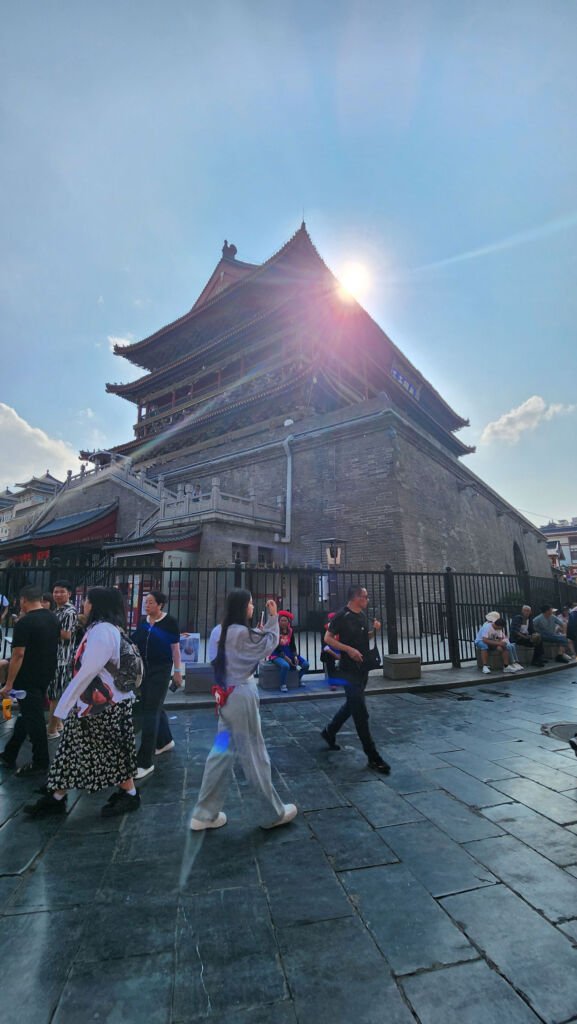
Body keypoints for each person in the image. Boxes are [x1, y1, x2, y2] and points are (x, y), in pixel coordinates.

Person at [22, 587, 140, 819]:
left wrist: (66, 703)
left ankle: (129, 793)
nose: (84, 604)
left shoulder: (102, 631)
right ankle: (57, 795)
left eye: (87, 600)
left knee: (110, 751)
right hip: (94, 704)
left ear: (96, 604)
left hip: (104, 705)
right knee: (71, 750)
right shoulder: (107, 629)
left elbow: (89, 670)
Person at [190, 589, 297, 831]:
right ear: (242, 607)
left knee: (220, 755)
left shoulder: (219, 631)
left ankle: (204, 814)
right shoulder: (241, 633)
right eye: (249, 604)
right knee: (254, 755)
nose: (251, 607)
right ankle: (272, 813)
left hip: (225, 696)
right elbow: (268, 646)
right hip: (241, 694)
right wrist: (272, 618)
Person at [320, 584, 390, 774]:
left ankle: (329, 731)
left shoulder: (362, 616)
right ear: (357, 598)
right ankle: (373, 756)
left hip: (362, 668)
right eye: (365, 597)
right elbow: (328, 638)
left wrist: (374, 631)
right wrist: (348, 650)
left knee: (352, 704)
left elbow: (363, 638)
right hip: (348, 670)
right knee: (360, 713)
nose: (367, 600)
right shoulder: (342, 615)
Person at [0, 585, 59, 777]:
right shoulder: (52, 618)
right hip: (45, 674)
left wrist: (8, 684)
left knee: (33, 719)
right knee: (27, 714)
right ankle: (10, 754)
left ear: (23, 600)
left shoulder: (24, 623)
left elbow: (18, 654)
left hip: (27, 678)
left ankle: (41, 761)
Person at [130, 591, 182, 780]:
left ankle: (145, 761)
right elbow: (134, 641)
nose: (147, 605)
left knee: (150, 710)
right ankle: (165, 740)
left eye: (150, 602)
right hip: (144, 670)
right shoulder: (144, 623)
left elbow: (175, 649)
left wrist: (177, 671)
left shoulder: (170, 623)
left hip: (161, 670)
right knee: (152, 705)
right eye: (146, 602)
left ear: (160, 605)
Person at [47, 580, 78, 739]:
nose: (58, 595)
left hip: (62, 658)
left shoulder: (69, 612)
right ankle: (57, 723)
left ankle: (52, 729)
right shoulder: (57, 610)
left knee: (55, 695)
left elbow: (66, 635)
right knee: (55, 693)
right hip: (54, 656)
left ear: (69, 593)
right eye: (55, 592)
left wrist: (46, 629)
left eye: (61, 592)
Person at [269, 610, 309, 692]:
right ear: (279, 621)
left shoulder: (290, 631)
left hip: (289, 652)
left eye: (285, 620)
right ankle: (282, 684)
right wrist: (287, 659)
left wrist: (294, 656)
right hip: (277, 654)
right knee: (285, 665)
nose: (283, 622)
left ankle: (297, 679)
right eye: (281, 620)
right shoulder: (275, 631)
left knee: (306, 664)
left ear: (288, 622)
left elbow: (292, 645)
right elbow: (276, 647)